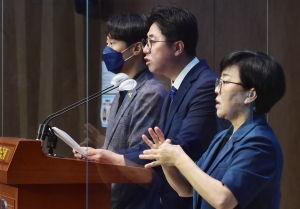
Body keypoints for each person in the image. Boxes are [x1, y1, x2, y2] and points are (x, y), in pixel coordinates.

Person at [75, 6, 219, 209]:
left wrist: (114, 157)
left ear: (177, 47)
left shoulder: (204, 85)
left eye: (152, 41)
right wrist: (108, 155)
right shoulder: (178, 86)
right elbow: (154, 145)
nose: (145, 49)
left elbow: (181, 146)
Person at [140, 50, 286, 209]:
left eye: (226, 82)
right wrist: (167, 162)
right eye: (219, 82)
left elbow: (224, 200)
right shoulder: (223, 137)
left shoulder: (260, 142)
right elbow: (187, 189)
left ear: (250, 95)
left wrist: (179, 158)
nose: (217, 89)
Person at [80, 13, 168, 209]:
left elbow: (137, 159)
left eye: (112, 43)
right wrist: (97, 152)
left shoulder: (150, 93)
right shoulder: (124, 87)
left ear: (136, 48)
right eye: (107, 42)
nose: (106, 50)